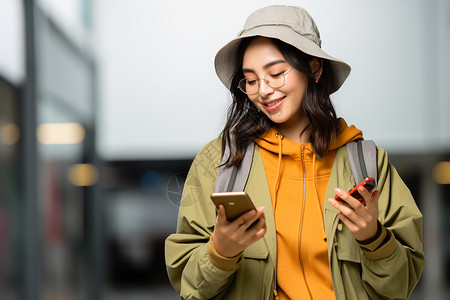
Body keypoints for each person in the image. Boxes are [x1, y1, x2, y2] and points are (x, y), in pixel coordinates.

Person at [165, 5, 424, 300]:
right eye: (251, 80)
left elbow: (400, 286)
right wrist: (220, 253)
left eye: (275, 73)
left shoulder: (368, 163)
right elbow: (189, 288)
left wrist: (374, 238)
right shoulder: (219, 161)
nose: (263, 90)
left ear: (313, 68)